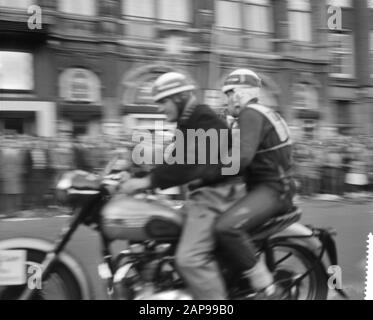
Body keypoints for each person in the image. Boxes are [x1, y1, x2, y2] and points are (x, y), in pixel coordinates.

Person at [119, 71, 243, 300]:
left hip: (218, 194)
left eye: (163, 101)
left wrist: (146, 182)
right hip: (204, 194)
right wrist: (138, 176)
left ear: (178, 97)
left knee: (189, 259)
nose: (159, 108)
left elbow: (190, 164)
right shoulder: (188, 121)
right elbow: (175, 161)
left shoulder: (203, 117)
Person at [215, 68, 296, 299]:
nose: (227, 99)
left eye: (229, 93)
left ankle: (266, 286)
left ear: (240, 94)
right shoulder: (261, 113)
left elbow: (241, 158)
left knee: (226, 227)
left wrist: (208, 173)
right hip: (270, 186)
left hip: (273, 189)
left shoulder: (251, 114)